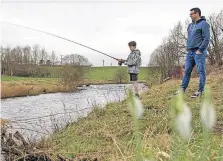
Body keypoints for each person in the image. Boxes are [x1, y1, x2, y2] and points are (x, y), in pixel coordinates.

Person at [177, 7, 210, 98]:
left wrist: (200, 50)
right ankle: (182, 89)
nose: (190, 15)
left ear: (197, 14)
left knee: (201, 71)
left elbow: (206, 39)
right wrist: (188, 48)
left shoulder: (204, 24)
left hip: (199, 52)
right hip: (190, 53)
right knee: (187, 71)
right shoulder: (190, 25)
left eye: (191, 13)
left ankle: (200, 90)